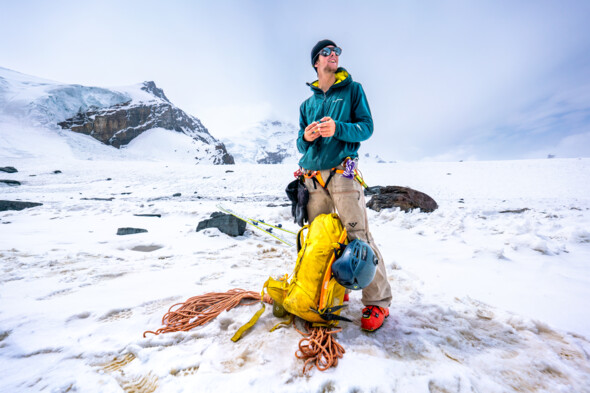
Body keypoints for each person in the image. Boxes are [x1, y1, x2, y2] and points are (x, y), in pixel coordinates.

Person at [296, 39, 393, 331]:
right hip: (313, 177)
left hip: (343, 171)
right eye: (327, 52)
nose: (333, 55)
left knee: (357, 233)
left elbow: (366, 127)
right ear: (316, 61)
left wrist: (338, 128)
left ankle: (378, 302)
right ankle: (331, 295)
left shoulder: (353, 90)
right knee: (322, 239)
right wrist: (308, 138)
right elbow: (300, 143)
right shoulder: (307, 104)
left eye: (336, 51)